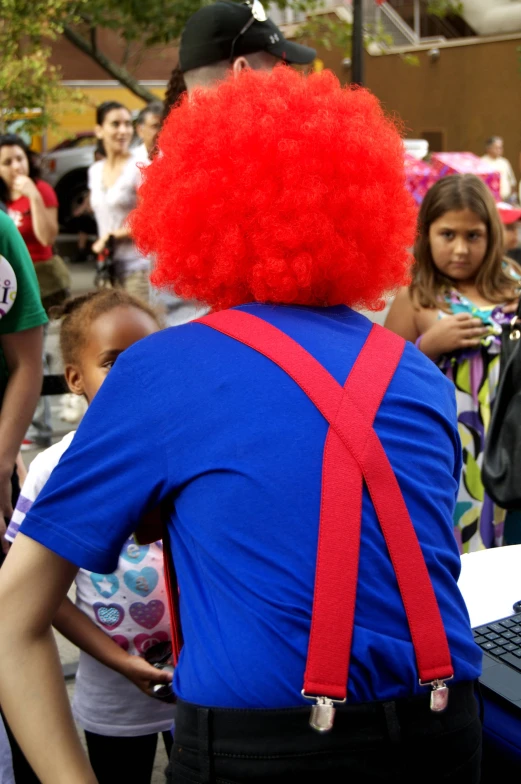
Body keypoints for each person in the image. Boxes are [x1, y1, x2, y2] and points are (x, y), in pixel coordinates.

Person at [0, 68, 482, 783]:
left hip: (261, 752)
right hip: (448, 735)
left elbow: (12, 619)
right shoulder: (413, 371)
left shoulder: (163, 371)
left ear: (198, 214)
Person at [5, 289, 174, 784]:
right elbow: (34, 597)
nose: (134, 376)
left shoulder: (187, 457)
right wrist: (119, 661)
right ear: (75, 378)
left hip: (201, 685)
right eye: (113, 362)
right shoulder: (54, 470)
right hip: (112, 692)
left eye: (147, 359)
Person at [385, 174, 520, 553]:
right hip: (449, 445)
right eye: (448, 235)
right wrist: (429, 346)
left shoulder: (514, 283)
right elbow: (384, 383)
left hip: (510, 441)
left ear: (492, 235)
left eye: (473, 235)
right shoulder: (415, 297)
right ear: (427, 234)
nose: (460, 249)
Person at [0, 133, 68, 448]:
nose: (16, 166)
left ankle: (42, 430)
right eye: (7, 161)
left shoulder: (40, 189)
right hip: (8, 290)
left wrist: (34, 197)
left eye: (20, 158)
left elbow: (47, 235)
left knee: (40, 357)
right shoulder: (4, 200)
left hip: (43, 284)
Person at [89, 102, 150, 302]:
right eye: (115, 124)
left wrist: (111, 236)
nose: (123, 131)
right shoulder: (95, 170)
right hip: (106, 268)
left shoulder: (140, 167)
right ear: (99, 130)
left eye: (127, 124)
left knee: (138, 332)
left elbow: (148, 217)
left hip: (137, 269)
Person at [481, 135, 516, 203]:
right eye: (497, 148)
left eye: (501, 148)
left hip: (506, 200)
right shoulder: (482, 162)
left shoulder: (504, 162)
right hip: (489, 201)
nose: (499, 150)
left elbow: (512, 182)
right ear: (489, 148)